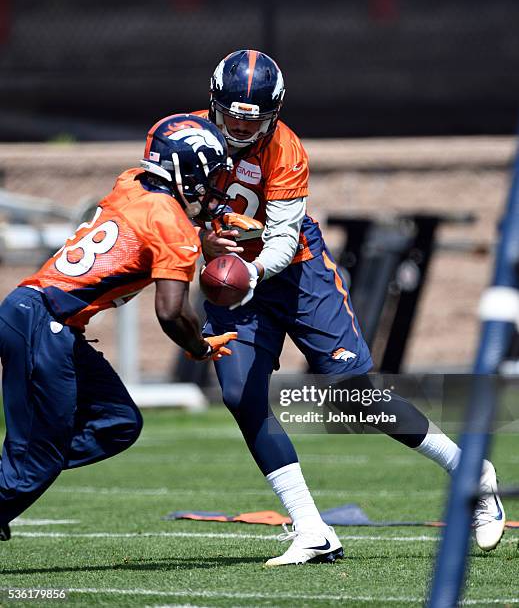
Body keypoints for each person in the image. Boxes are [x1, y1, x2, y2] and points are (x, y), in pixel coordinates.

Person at [194, 50, 505, 565]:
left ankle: (470, 470)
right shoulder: (183, 137)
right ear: (213, 103)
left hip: (293, 269)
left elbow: (281, 241)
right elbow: (170, 206)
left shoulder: (288, 151)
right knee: (238, 392)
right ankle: (314, 531)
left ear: (273, 114)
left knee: (353, 394)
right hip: (233, 277)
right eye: (232, 116)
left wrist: (245, 272)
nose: (240, 129)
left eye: (254, 120)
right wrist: (201, 246)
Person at [0, 114, 237, 542]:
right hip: (44, 323)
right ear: (186, 169)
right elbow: (171, 312)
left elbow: (145, 228)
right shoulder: (173, 224)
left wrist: (195, 237)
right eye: (208, 173)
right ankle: (23, 469)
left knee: (117, 421)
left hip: (36, 315)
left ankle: (23, 466)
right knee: (37, 459)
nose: (213, 184)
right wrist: (199, 347)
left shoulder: (131, 182)